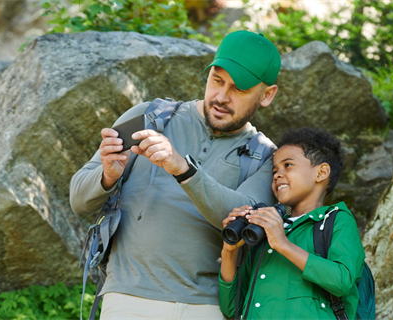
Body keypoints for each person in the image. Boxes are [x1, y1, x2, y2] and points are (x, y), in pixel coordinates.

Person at [69, 30, 281, 319]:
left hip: (206, 307)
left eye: (239, 89)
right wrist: (107, 176)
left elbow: (241, 219)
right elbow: (79, 202)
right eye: (217, 81)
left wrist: (183, 169)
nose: (221, 96)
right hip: (127, 296)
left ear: (267, 95)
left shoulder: (268, 158)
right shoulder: (150, 116)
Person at [219, 127, 365, 319]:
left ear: (321, 173)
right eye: (274, 171)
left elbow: (342, 281)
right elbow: (233, 308)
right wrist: (230, 251)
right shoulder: (264, 232)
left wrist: (283, 244)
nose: (277, 175)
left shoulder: (336, 220)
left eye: (288, 165)